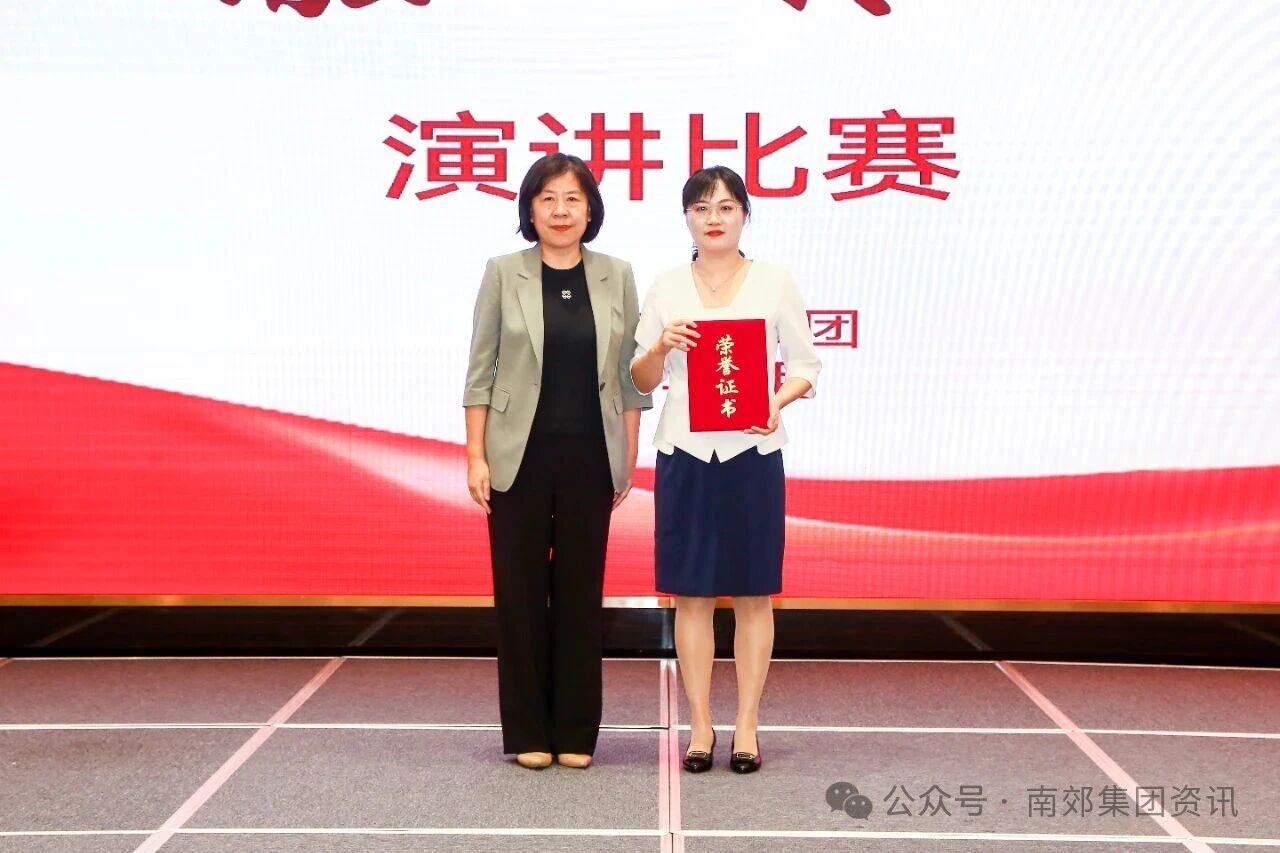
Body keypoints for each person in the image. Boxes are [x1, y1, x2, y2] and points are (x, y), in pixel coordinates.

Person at [630, 165, 821, 774]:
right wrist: (661, 347)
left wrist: (775, 401)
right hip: (684, 453)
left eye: (726, 207)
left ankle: (746, 726)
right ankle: (700, 726)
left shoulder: (773, 281)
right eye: (701, 208)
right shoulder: (666, 286)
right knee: (690, 596)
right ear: (686, 218)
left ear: (745, 215)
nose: (713, 219)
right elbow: (640, 379)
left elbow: (806, 366)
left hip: (752, 455)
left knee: (754, 594)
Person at [463, 153, 651, 770]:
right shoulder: (503, 272)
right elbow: (480, 373)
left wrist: (626, 456)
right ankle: (527, 731)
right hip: (516, 455)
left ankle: (575, 730)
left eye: (573, 199)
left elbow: (630, 376)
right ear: (530, 209)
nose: (561, 211)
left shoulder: (617, 274)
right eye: (548, 199)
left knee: (579, 593)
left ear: (590, 209)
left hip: (590, 456)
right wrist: (475, 455)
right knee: (518, 595)